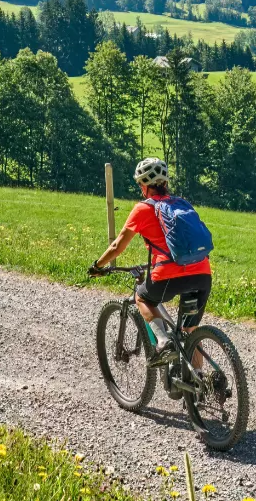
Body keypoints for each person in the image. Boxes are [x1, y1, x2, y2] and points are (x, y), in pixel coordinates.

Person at [90, 157, 215, 368]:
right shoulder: (182, 204)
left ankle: (163, 340)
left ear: (143, 186)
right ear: (165, 182)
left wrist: (98, 266)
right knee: (190, 331)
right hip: (202, 274)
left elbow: (117, 246)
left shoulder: (143, 209)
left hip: (168, 275)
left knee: (142, 297)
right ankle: (200, 384)